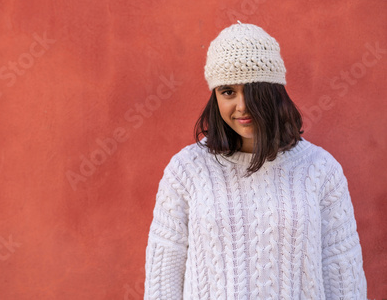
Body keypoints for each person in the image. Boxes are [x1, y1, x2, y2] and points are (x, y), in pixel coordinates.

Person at [143, 22, 367, 299]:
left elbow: (344, 276)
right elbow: (163, 278)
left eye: (252, 90)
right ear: (215, 97)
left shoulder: (320, 170)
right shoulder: (186, 170)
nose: (242, 106)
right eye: (228, 91)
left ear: (274, 93)